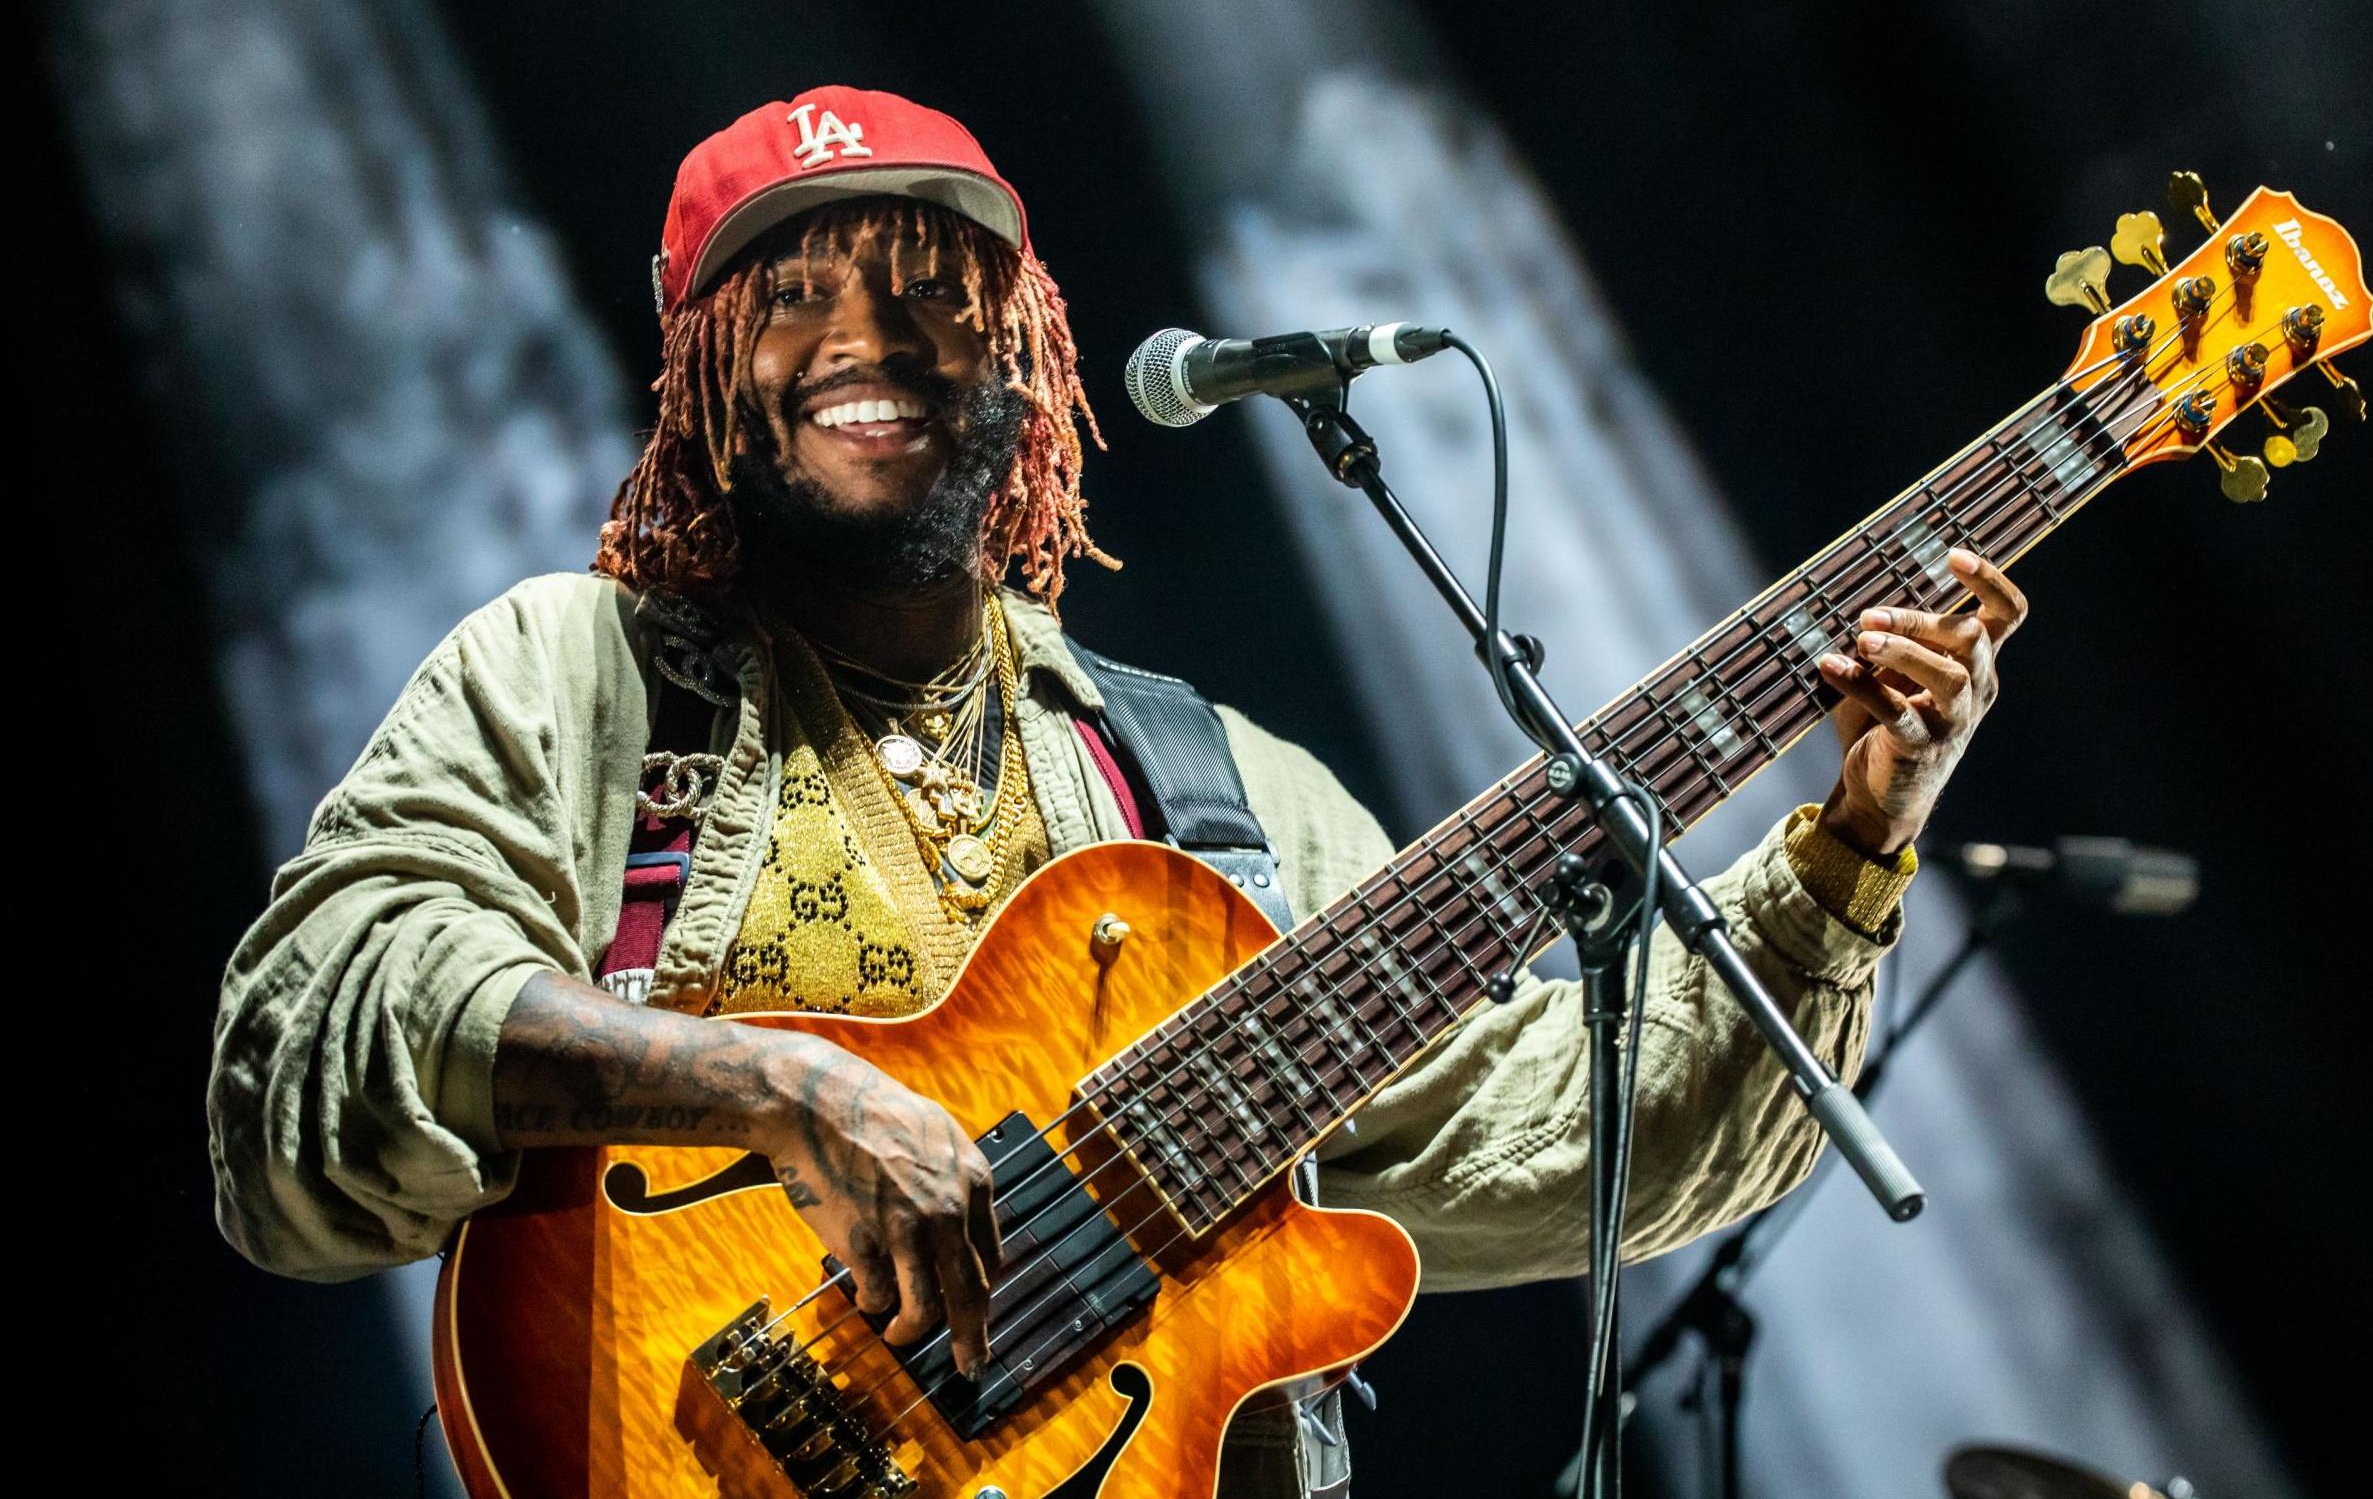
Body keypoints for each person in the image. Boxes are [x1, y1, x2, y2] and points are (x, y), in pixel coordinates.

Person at [207, 87, 2027, 1497]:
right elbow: (312, 1024)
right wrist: (779, 1085)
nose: (873, 328)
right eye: (796, 292)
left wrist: (1851, 844)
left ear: (1028, 355)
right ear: (700, 375)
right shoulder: (573, 673)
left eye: (936, 282)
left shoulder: (1215, 794)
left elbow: (1570, 1138)